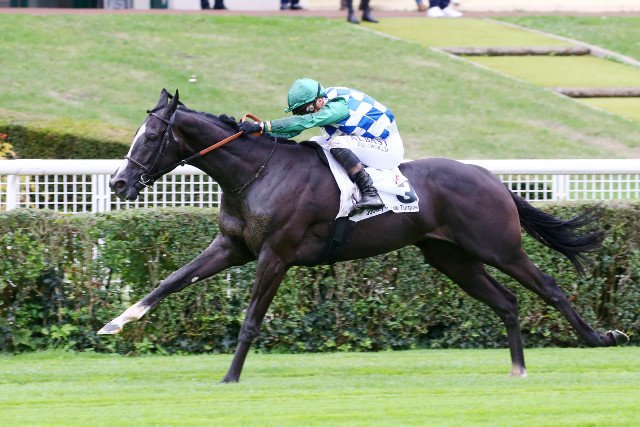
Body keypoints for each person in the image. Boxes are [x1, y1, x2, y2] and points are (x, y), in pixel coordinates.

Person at [238, 78, 404, 216]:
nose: (306, 113)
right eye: (300, 111)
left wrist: (262, 125)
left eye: (308, 109)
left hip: (388, 148)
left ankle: (371, 193)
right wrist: (260, 135)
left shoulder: (337, 107)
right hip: (365, 140)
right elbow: (296, 129)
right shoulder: (325, 99)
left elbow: (305, 122)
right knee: (315, 142)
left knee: (336, 143)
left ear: (318, 100)